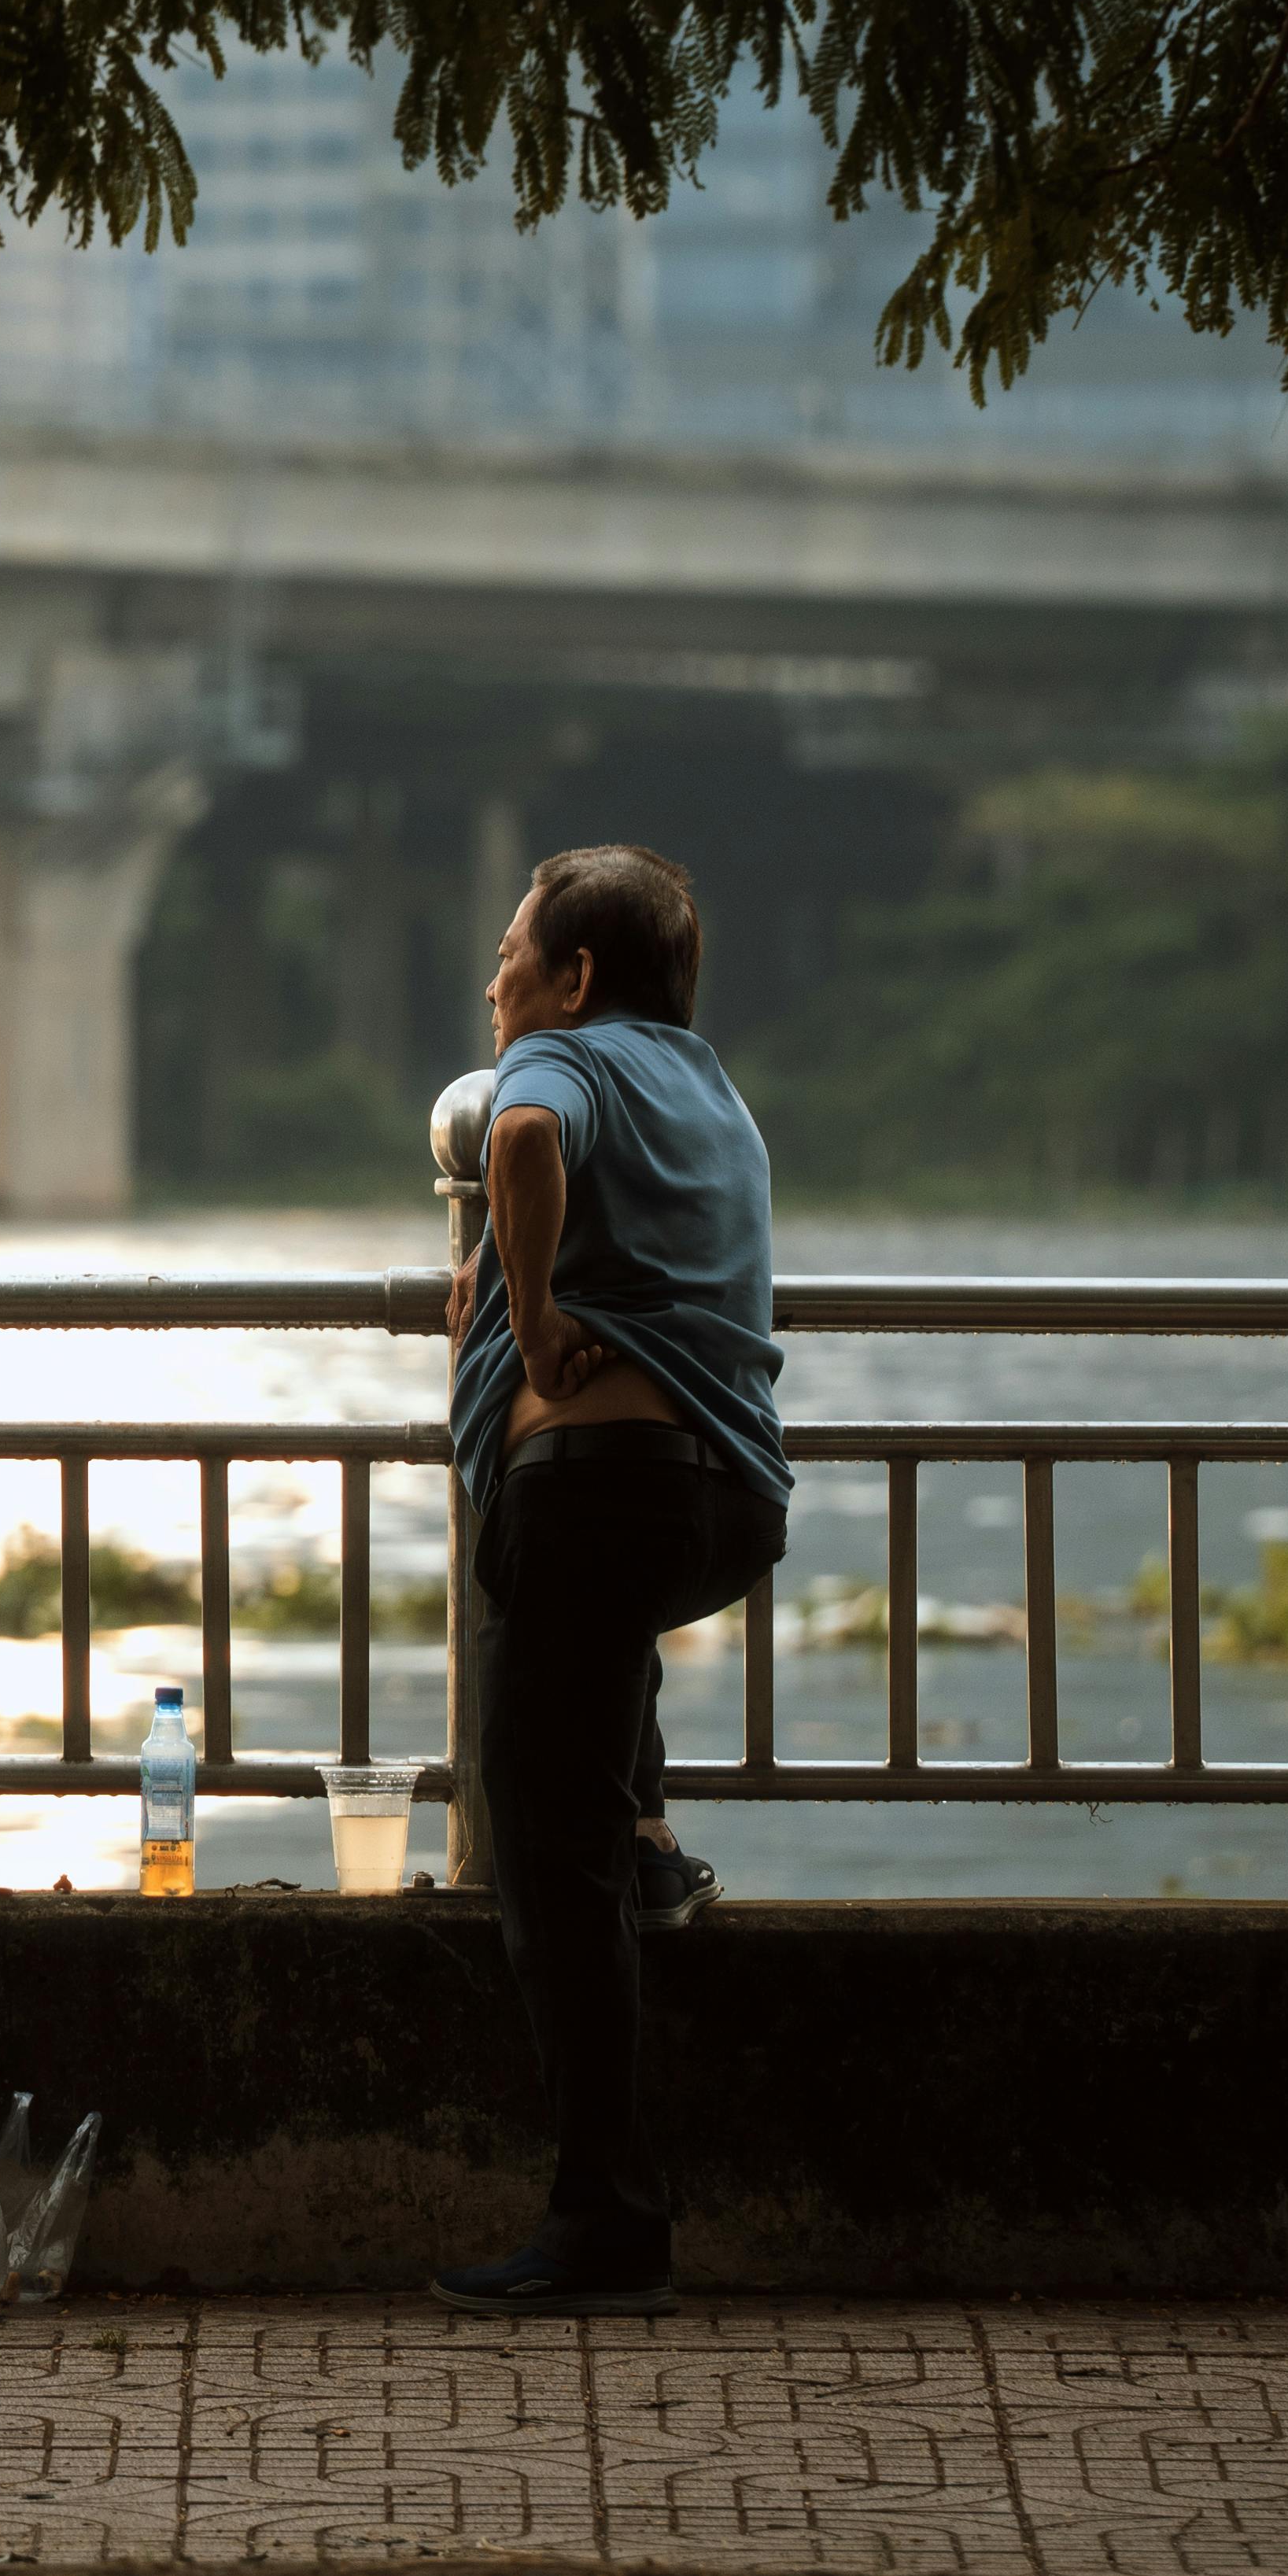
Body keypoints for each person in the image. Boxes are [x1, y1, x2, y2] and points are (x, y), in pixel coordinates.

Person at [434, 844, 790, 2315]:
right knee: (593, 1761)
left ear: (576, 978)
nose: (496, 981)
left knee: (537, 1837)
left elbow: (517, 1143)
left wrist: (527, 1304)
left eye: (515, 953)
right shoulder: (713, 1090)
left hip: (601, 1489)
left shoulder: (567, 1061)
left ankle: (609, 2217)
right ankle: (645, 1827)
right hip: (720, 1494)